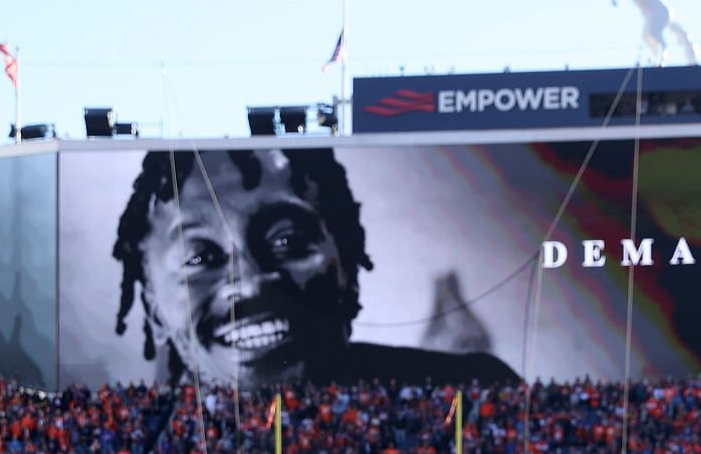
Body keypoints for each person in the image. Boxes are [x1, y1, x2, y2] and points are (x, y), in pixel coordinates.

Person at [109, 148, 519, 388]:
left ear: (346, 263)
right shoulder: (127, 451)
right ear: (154, 307)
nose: (250, 284)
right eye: (199, 258)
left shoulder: (471, 388)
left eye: (287, 241)